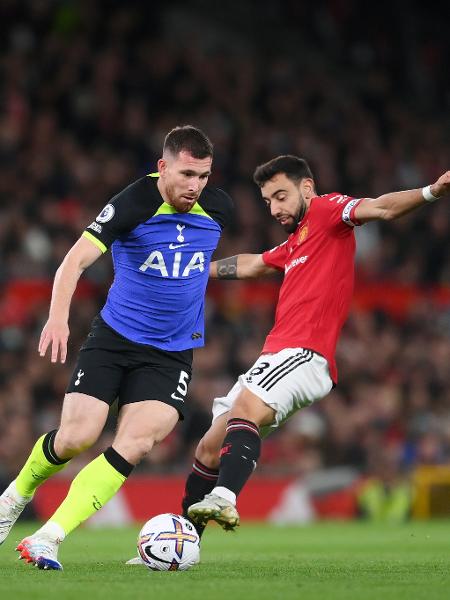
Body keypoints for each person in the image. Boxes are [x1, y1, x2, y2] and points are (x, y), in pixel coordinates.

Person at [0, 125, 233, 570]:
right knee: (76, 437)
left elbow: (200, 264)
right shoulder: (132, 203)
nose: (195, 186)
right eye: (186, 174)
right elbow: (75, 260)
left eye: (203, 176)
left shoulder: (220, 208)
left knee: (138, 442)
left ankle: (49, 536)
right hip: (114, 339)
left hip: (170, 353)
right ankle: (14, 497)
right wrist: (57, 317)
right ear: (162, 167)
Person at [182, 155, 450, 534]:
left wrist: (431, 192)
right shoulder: (296, 242)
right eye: (268, 201)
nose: (274, 208)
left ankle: (225, 498)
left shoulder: (327, 211)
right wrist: (196, 269)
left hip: (305, 354)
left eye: (280, 196)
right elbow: (254, 264)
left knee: (245, 408)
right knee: (209, 447)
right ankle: (182, 538)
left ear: (306, 188)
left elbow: (381, 209)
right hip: (277, 355)